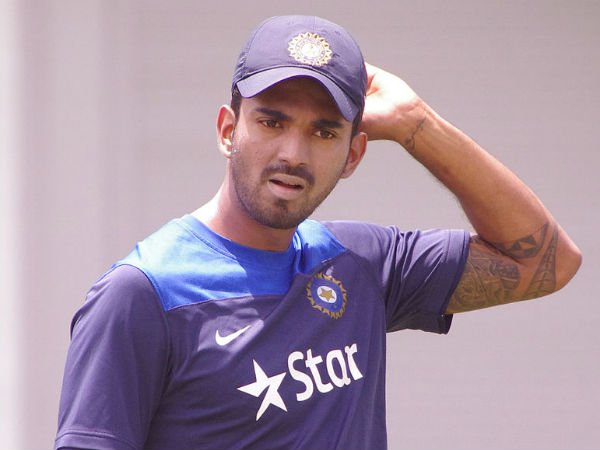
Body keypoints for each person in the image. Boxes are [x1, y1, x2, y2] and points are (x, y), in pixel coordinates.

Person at [55, 15, 581, 450]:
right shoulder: (143, 293)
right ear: (227, 131)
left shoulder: (359, 263)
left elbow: (546, 261)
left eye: (324, 132)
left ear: (353, 156)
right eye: (271, 122)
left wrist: (416, 123)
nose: (293, 153)